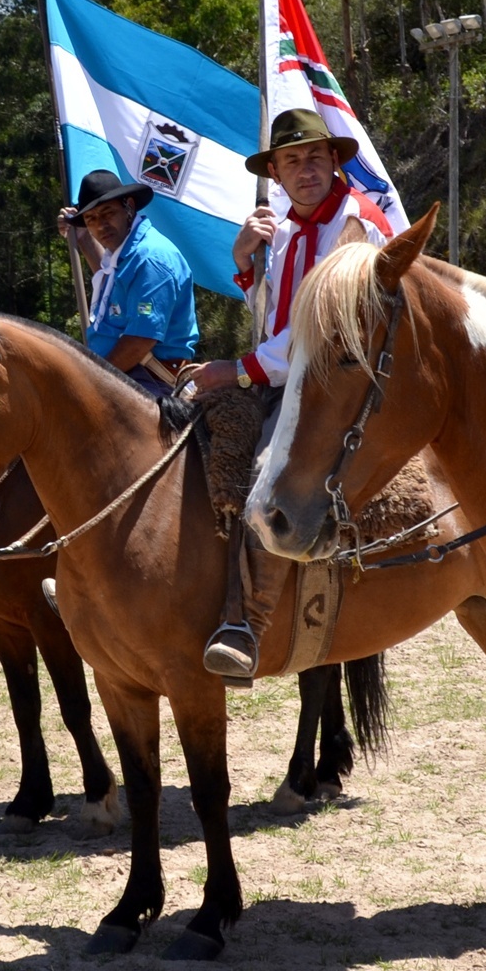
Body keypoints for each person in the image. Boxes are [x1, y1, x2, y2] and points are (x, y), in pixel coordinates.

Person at [190, 107, 397, 677]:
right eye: (290, 161)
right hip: (285, 377)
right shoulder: (279, 229)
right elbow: (270, 314)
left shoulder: (355, 224)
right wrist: (244, 263)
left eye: (313, 157)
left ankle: (248, 623)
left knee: (270, 471)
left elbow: (323, 332)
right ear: (276, 174)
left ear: (335, 161)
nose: (304, 170)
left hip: (339, 386)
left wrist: (236, 370)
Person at [57, 169, 198, 396]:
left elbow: (139, 341)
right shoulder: (123, 255)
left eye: (107, 213)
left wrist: (92, 379)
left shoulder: (150, 259)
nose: (100, 226)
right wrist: (82, 238)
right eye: (91, 219)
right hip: (125, 374)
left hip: (149, 381)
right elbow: (112, 287)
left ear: (129, 207)